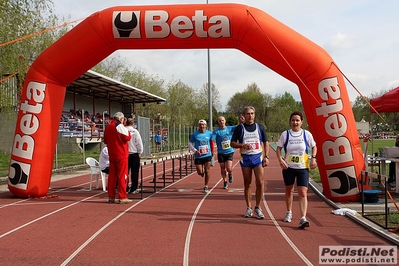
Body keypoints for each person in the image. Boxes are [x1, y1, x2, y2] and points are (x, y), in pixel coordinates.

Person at [275, 111, 317, 229]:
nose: (295, 122)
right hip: (288, 167)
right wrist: (280, 160)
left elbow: (314, 146)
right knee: (289, 191)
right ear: (290, 122)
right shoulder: (285, 134)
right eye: (293, 120)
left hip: (303, 168)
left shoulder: (306, 134)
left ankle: (303, 218)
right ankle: (289, 212)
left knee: (303, 192)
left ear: (301, 122)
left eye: (297, 120)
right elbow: (278, 149)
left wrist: (313, 158)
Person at [231, 106, 269, 219]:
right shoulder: (240, 128)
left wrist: (266, 156)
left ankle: (258, 207)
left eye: (252, 113)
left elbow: (266, 142)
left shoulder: (260, 127)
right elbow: (232, 143)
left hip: (258, 157)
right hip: (246, 158)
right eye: (248, 114)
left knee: (260, 183)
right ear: (244, 115)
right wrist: (242, 145)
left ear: (255, 115)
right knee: (247, 183)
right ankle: (248, 208)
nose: (250, 116)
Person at [103, 112, 132, 204]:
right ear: (121, 119)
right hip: (121, 154)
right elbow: (127, 137)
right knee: (122, 175)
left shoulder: (108, 127)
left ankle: (111, 196)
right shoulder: (119, 126)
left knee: (112, 176)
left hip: (112, 154)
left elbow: (105, 140)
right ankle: (122, 196)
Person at [189, 119, 215, 194]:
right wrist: (195, 150)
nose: (202, 126)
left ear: (206, 126)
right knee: (199, 172)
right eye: (200, 125)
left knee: (207, 170)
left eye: (203, 125)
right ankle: (201, 173)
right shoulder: (194, 134)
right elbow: (190, 144)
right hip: (198, 156)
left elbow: (211, 142)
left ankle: (206, 186)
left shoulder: (209, 133)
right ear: (198, 126)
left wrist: (213, 151)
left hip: (207, 154)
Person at [213, 116, 236, 189]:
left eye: (222, 120)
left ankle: (230, 173)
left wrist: (242, 121)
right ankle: (225, 182)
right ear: (218, 122)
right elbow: (212, 140)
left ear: (225, 121)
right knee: (222, 168)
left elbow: (239, 127)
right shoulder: (216, 131)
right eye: (220, 121)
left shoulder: (230, 128)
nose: (221, 122)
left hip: (229, 151)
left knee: (228, 168)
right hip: (221, 152)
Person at [126, 118, 144, 194]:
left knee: (125, 172)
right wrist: (140, 152)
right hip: (134, 154)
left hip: (125, 154)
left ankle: (125, 187)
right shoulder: (135, 131)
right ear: (133, 124)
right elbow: (139, 143)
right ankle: (134, 188)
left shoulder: (123, 130)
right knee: (135, 172)